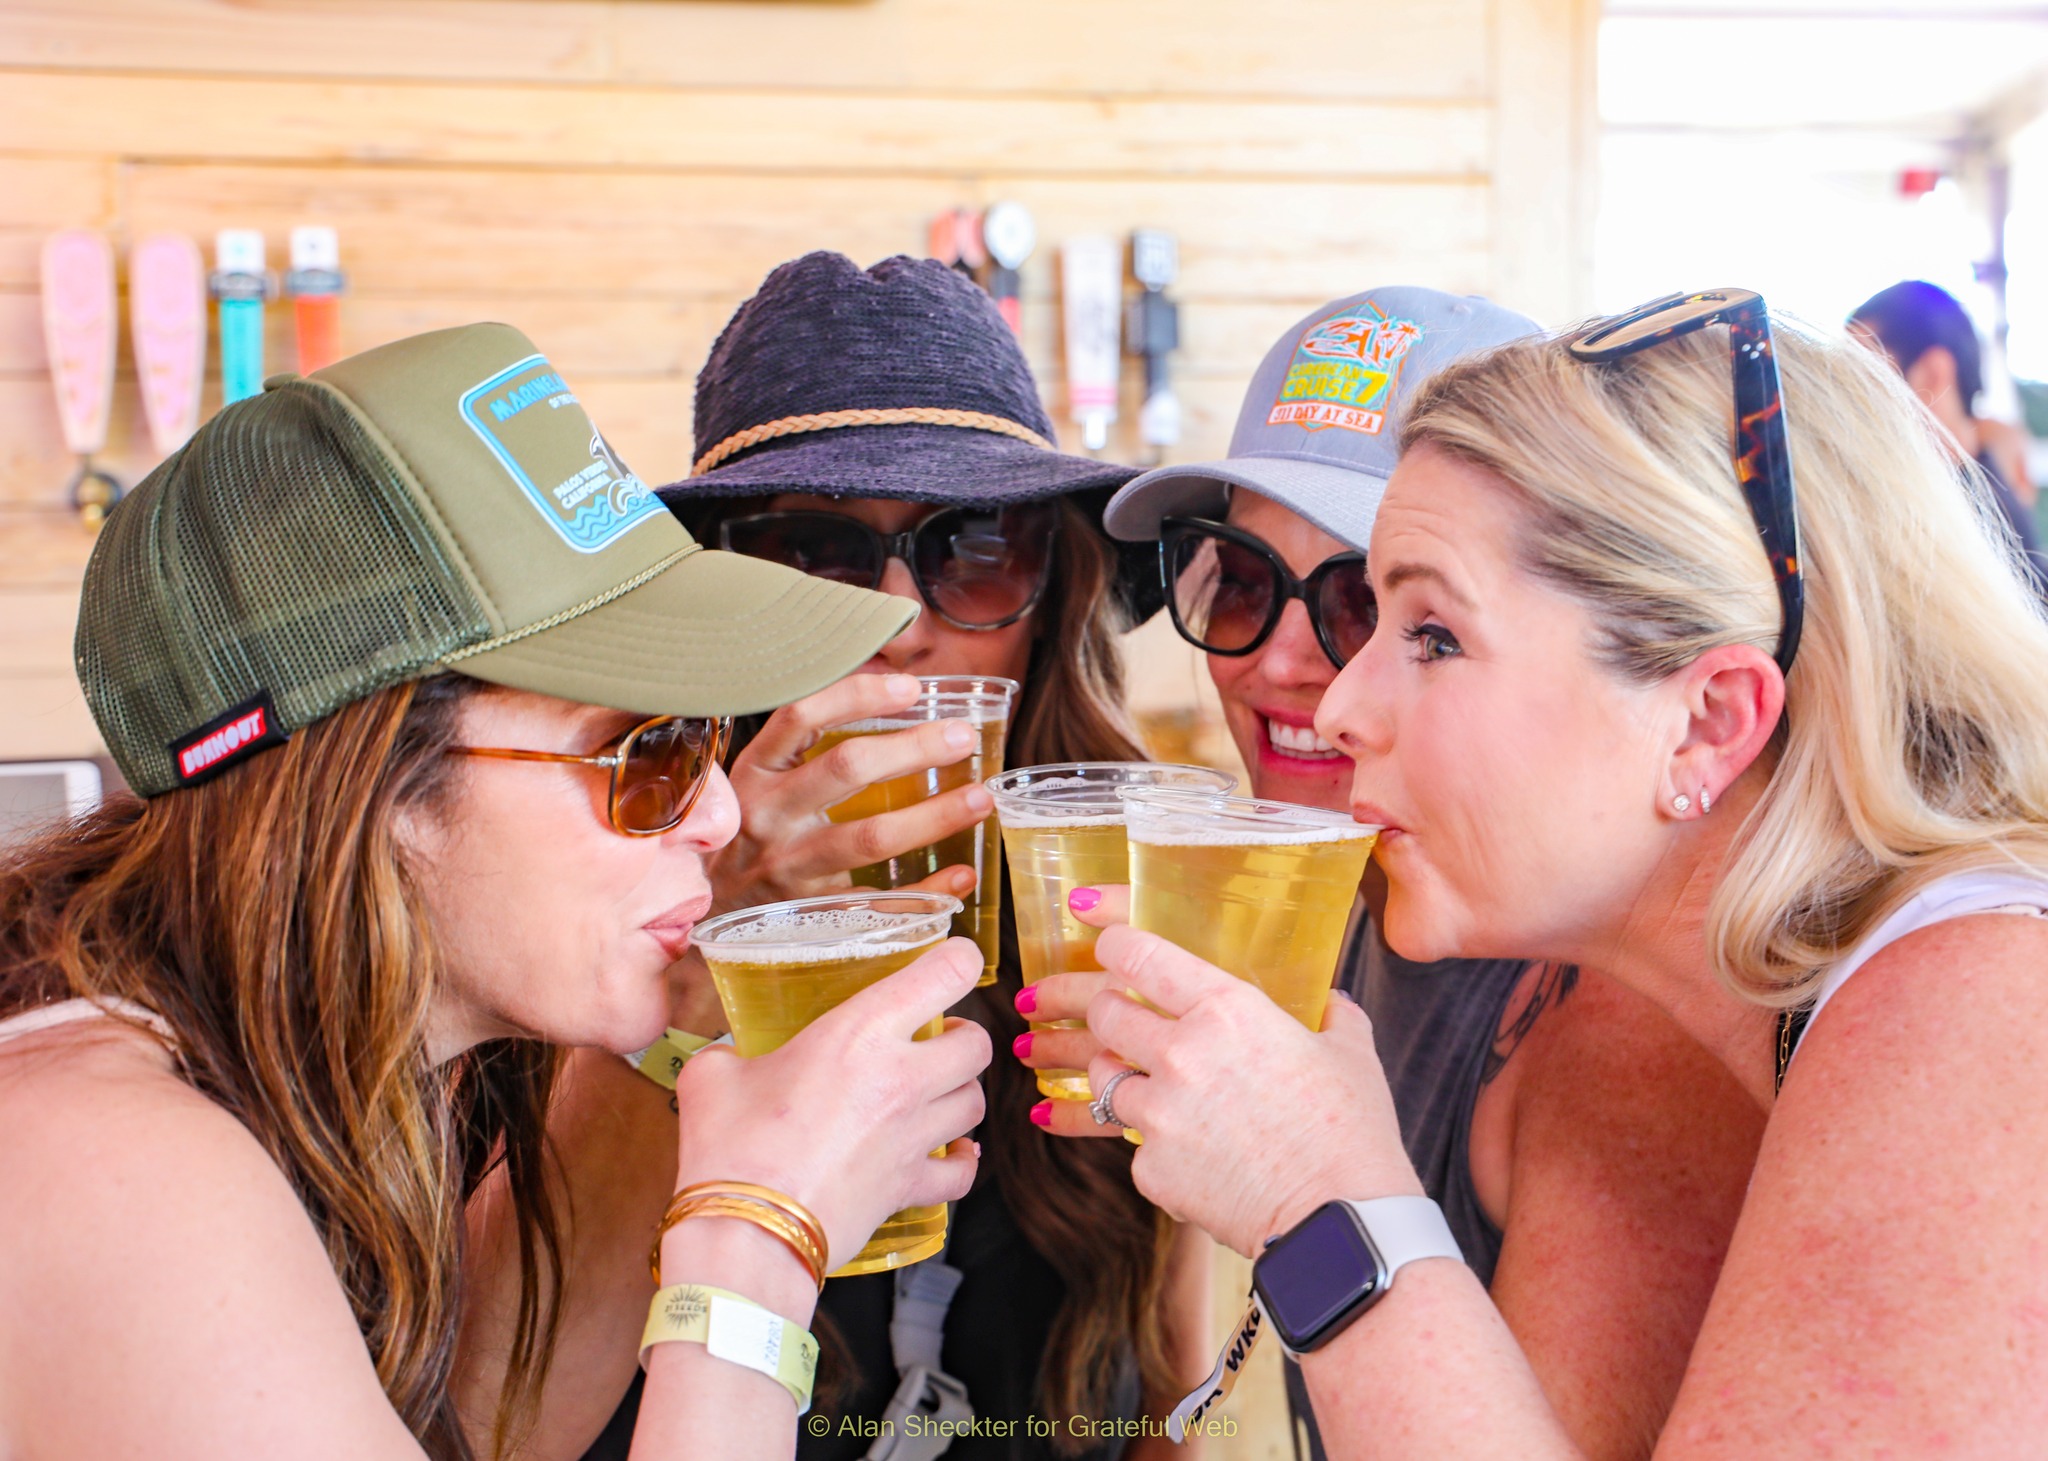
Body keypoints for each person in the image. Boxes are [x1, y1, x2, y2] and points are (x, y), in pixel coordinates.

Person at [1073, 289, 2048, 1455]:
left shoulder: (1980, 1005)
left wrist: (1322, 1204)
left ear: (1705, 723)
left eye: (1429, 635)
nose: (1333, 700)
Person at [0, 324, 994, 1460]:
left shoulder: (339, 1092)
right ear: (376, 792)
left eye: (711, 737)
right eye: (649, 751)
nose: (718, 816)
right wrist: (756, 1236)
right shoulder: (117, 1170)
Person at [475, 254, 1205, 1461]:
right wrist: (693, 967)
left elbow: (1166, 1391)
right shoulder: (566, 898)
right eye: (810, 553)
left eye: (974, 547)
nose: (897, 621)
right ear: (715, 592)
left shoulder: (1110, 882)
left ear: (1054, 587)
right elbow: (497, 1426)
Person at [1015, 288, 1764, 1459]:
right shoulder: (1356, 893)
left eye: (1376, 605)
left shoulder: (1613, 1031)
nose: (1282, 663)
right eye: (1238, 578)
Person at [1848, 279, 2046, 595]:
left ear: (1932, 373)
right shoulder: (1980, 494)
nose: (1849, 404)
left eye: (1864, 377)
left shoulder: (1967, 529)